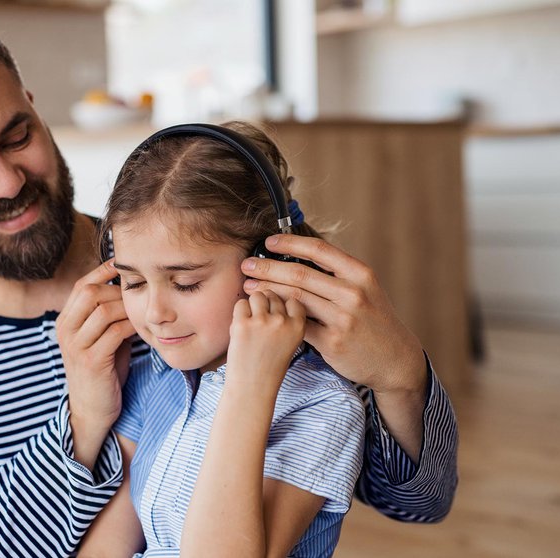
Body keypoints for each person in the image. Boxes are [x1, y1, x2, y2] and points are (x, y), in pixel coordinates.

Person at [0, 2, 457, 557]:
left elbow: (419, 503)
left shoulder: (216, 280)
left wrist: (401, 375)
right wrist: (81, 424)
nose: (6, 182)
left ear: (35, 107)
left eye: (16, 136)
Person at [77, 120, 366, 557]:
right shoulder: (161, 373)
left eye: (186, 283)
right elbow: (108, 541)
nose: (155, 315)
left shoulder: (322, 406)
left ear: (271, 263)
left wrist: (249, 384)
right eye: (133, 283)